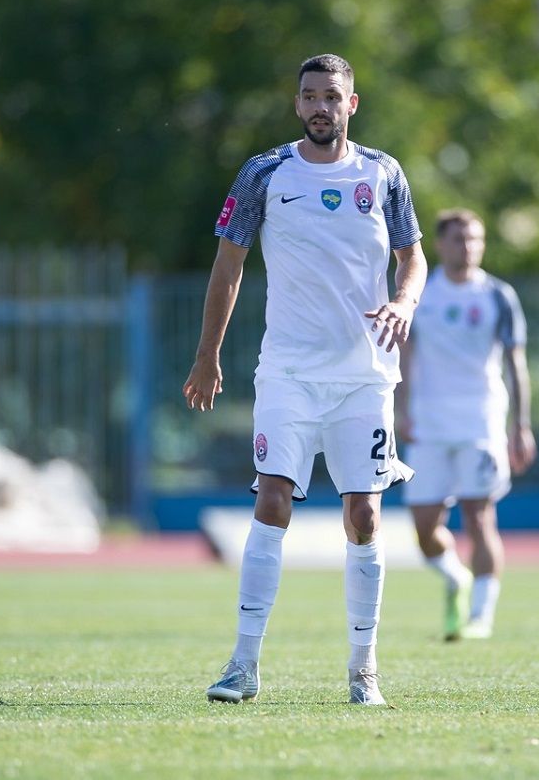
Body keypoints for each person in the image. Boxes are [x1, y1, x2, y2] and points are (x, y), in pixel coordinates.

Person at [183, 53, 427, 704]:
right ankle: (242, 664)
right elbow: (227, 264)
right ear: (297, 105)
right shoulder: (265, 171)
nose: (321, 106)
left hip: (364, 378)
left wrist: (403, 303)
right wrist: (208, 354)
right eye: (310, 95)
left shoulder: (383, 172)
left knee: (365, 514)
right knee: (271, 498)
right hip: (288, 371)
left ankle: (363, 668)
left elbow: (413, 257)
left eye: (332, 96)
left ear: (352, 103)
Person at [395, 209, 536, 641]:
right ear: (440, 245)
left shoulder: (497, 295)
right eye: (459, 239)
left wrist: (521, 425)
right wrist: (399, 410)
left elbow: (516, 362)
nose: (468, 247)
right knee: (424, 528)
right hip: (429, 423)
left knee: (480, 516)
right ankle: (457, 577)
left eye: (475, 239)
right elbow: (403, 352)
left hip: (482, 420)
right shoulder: (423, 293)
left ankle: (480, 616)